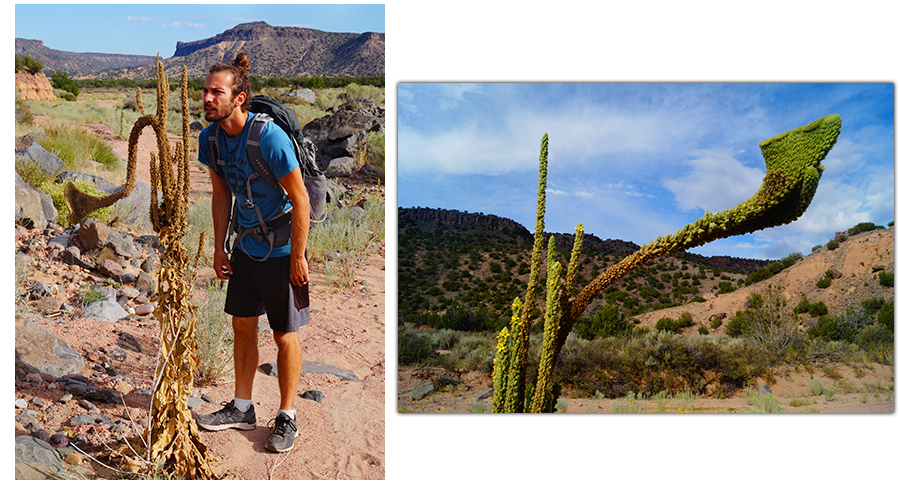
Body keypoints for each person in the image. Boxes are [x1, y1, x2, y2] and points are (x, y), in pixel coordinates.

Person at [194, 52, 311, 454]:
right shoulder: (209, 138)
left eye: (216, 92)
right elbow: (221, 191)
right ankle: (242, 407)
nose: (207, 98)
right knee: (242, 325)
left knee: (284, 334)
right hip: (244, 245)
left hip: (280, 249)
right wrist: (218, 246)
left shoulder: (269, 138)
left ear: (239, 98)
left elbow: (300, 199)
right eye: (205, 91)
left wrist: (298, 256)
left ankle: (287, 415)